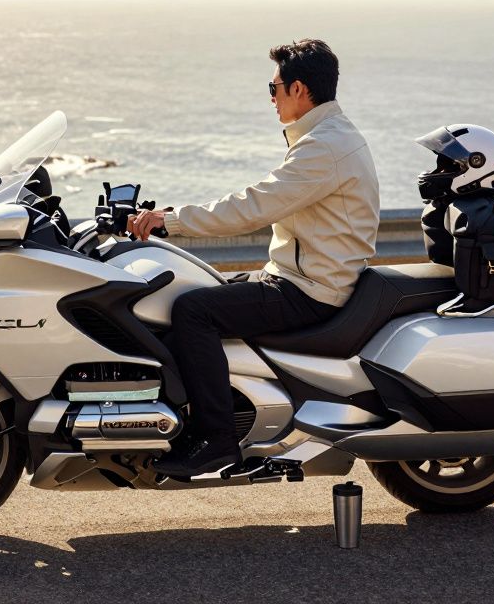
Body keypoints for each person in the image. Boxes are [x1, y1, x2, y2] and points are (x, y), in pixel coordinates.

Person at [129, 39, 380, 477]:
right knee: (191, 290)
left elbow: (254, 206)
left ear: (299, 89)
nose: (271, 97)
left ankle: (216, 439)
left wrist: (170, 220)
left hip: (310, 290)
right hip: (298, 276)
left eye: (274, 86)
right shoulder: (328, 137)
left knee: (192, 312)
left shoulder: (324, 147)